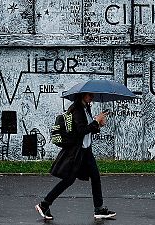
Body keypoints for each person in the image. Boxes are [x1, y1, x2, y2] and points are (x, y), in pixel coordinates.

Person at [35, 92, 116, 220]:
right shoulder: (77, 109)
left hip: (86, 151)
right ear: (83, 96)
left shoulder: (86, 108)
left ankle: (99, 209)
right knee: (69, 180)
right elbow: (81, 130)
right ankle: (44, 204)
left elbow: (88, 129)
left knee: (95, 177)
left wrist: (99, 124)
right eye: (90, 95)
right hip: (78, 152)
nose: (92, 97)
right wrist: (95, 121)